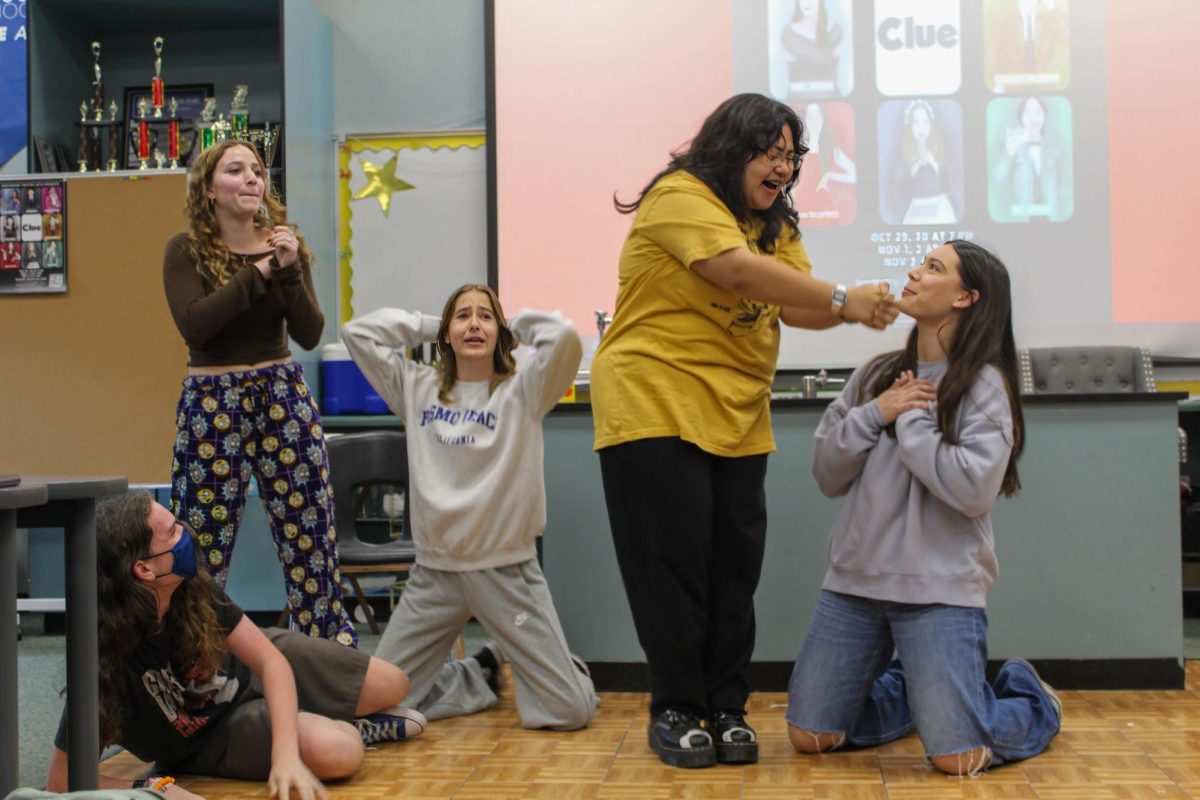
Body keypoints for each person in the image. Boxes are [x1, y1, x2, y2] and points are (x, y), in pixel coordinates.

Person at [590, 92, 897, 770]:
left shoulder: (775, 225)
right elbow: (731, 269)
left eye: (792, 157)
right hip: (654, 399)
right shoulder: (680, 196)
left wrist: (852, 313)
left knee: (734, 569)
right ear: (733, 146)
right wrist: (845, 298)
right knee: (673, 568)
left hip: (737, 411)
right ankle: (675, 707)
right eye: (772, 152)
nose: (784, 168)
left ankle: (727, 707)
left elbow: (798, 303)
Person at [786, 240, 1061, 775]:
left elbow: (972, 491)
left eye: (934, 267)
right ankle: (921, 690)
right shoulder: (877, 374)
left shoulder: (984, 385)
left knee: (961, 758)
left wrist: (908, 422)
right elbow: (826, 472)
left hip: (939, 590)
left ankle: (1032, 700)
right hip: (855, 585)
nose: (915, 271)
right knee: (810, 736)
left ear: (966, 298)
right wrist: (876, 412)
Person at [45, 492, 425, 800]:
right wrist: (153, 787)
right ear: (144, 570)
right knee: (341, 752)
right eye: (173, 532)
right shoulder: (104, 656)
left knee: (395, 683)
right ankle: (339, 723)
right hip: (211, 735)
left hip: (253, 668)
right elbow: (61, 783)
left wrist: (285, 755)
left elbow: (271, 661)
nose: (186, 533)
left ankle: (313, 715)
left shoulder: (189, 589)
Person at [342, 285, 599, 730]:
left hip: (505, 572)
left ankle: (560, 670)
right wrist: (430, 324)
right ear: (446, 334)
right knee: (374, 701)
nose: (474, 325)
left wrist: (511, 323)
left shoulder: (526, 386)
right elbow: (358, 333)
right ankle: (475, 676)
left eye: (485, 317)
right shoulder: (416, 386)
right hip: (434, 574)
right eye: (462, 317)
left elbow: (565, 338)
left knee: (569, 712)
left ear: (499, 331)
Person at [162, 139, 356, 646]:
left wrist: (288, 269)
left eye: (257, 170)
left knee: (310, 536)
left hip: (281, 394)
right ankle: (192, 660)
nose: (252, 178)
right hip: (213, 402)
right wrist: (261, 272)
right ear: (208, 190)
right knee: (201, 544)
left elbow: (311, 332)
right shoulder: (184, 251)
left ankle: (325, 657)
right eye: (235, 170)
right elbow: (196, 325)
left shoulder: (285, 246)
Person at [992, 96, 1067, 222]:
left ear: (1044, 117)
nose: (1033, 118)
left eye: (1038, 113)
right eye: (1028, 113)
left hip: (1053, 224)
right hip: (1019, 224)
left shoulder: (1054, 151)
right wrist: (1008, 152)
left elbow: (1065, 188)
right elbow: (998, 181)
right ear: (1021, 117)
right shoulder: (1011, 150)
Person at [893, 100, 958, 225]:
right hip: (917, 208)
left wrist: (933, 163)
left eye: (925, 121)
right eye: (916, 122)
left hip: (939, 205)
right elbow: (901, 188)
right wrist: (913, 171)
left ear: (930, 124)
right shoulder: (905, 154)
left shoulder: (940, 150)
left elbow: (949, 182)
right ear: (910, 126)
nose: (920, 127)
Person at [780, 0, 845, 98]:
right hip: (797, 98)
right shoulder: (789, 34)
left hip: (829, 97)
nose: (807, 3)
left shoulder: (835, 31)